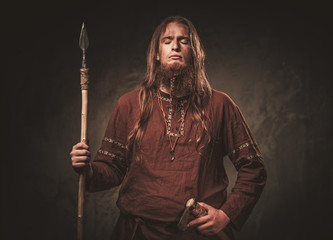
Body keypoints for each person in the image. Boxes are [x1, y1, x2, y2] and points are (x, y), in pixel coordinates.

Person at [70, 16, 267, 240]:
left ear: (194, 51)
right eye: (167, 40)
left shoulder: (220, 105)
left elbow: (254, 168)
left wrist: (226, 214)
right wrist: (87, 169)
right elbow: (112, 169)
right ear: (156, 53)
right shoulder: (128, 104)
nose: (175, 46)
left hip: (198, 235)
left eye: (184, 41)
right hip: (138, 233)